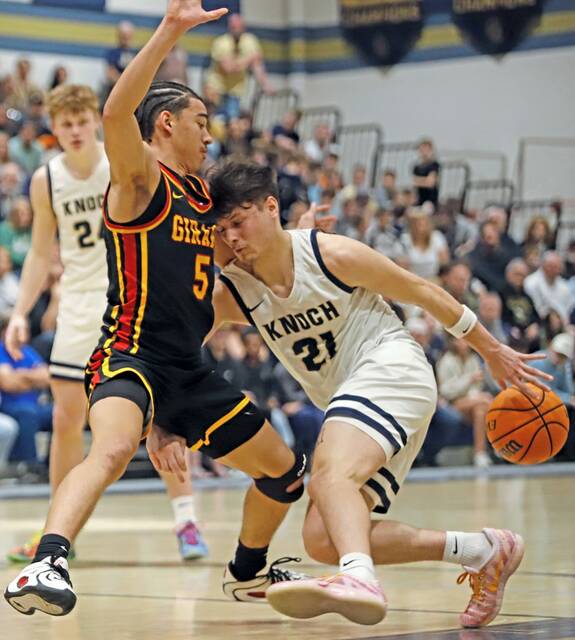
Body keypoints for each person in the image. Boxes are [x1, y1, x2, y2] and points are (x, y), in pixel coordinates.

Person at [5, 2, 305, 618]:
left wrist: (296, 241)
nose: (209, 132)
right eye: (201, 120)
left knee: (286, 474)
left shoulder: (203, 198)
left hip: (187, 370)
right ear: (166, 123)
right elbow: (117, 110)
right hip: (129, 352)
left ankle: (247, 571)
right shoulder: (140, 179)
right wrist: (169, 31)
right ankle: (47, 560)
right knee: (111, 450)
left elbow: (223, 288)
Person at [194, 159, 550, 627]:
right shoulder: (234, 291)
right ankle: (483, 549)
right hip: (357, 398)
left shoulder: (331, 255)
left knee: (328, 478)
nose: (231, 238)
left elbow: (421, 290)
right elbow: (182, 334)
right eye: (222, 229)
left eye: (238, 222)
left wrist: (490, 348)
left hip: (391, 368)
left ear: (270, 206)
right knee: (324, 538)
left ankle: (358, 578)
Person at [3, 84, 207, 566]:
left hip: (131, 298)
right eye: (64, 124)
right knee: (64, 421)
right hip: (78, 305)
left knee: (159, 415)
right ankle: (59, 531)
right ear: (53, 129)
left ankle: (186, 520)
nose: (74, 131)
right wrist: (19, 312)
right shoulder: (45, 180)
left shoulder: (119, 160)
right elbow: (38, 252)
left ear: (94, 121)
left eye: (81, 121)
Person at [205, 13, 272, 122]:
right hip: (216, 89)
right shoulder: (221, 42)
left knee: (233, 123)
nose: (235, 29)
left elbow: (257, 66)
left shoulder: (250, 41)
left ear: (243, 27)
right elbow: (228, 69)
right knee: (215, 122)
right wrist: (249, 58)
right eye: (232, 27)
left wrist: (265, 85)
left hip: (236, 91)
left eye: (237, 27)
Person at [412, 138, 440, 207]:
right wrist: (425, 180)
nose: (424, 152)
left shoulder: (434, 165)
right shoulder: (416, 167)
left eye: (426, 150)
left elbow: (430, 183)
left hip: (430, 201)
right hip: (419, 200)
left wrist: (419, 180)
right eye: (422, 149)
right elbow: (414, 182)